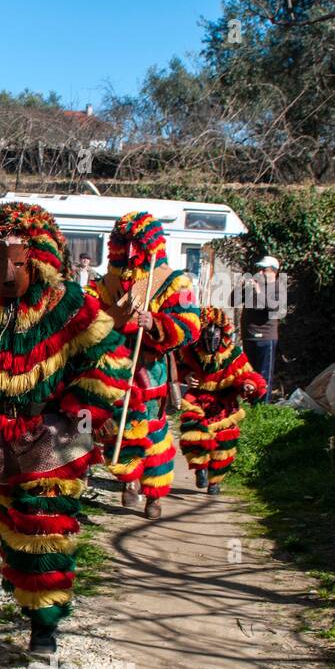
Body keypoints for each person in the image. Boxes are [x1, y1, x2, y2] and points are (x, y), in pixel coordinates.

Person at [0, 202, 133, 653]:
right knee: (11, 518)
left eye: (16, 261)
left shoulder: (72, 305)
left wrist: (74, 420)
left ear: (38, 258)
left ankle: (44, 622)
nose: (6, 271)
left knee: (45, 521)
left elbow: (109, 362)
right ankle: (26, 593)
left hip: (53, 434)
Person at [97, 212, 202, 520]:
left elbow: (191, 324)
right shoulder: (107, 283)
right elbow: (88, 319)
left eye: (136, 244)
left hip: (151, 367)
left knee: (154, 431)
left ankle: (154, 493)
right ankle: (128, 479)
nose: (129, 252)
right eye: (123, 243)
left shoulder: (174, 281)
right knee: (117, 428)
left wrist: (155, 322)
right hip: (114, 367)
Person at [177, 307, 266, 494]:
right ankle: (200, 468)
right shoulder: (191, 351)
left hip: (224, 402)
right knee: (193, 435)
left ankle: (215, 480)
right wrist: (186, 376)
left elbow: (249, 375)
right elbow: (179, 367)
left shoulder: (234, 355)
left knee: (223, 443)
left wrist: (248, 385)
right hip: (198, 399)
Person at [241, 255, 282, 403]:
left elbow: (273, 307)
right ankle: (250, 405)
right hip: (249, 336)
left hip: (265, 338)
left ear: (274, 271)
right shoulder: (254, 285)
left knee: (264, 376)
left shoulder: (277, 287)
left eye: (264, 270)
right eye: (259, 269)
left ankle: (262, 407)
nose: (260, 272)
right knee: (249, 375)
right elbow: (233, 300)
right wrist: (242, 288)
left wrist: (258, 292)